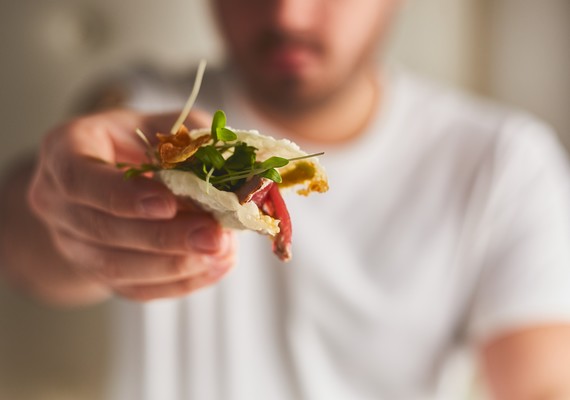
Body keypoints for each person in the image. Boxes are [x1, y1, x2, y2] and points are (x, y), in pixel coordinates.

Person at [1, 0, 570, 398]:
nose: (288, 13)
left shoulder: (505, 163)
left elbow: (541, 384)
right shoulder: (147, 110)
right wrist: (69, 213)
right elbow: (21, 239)